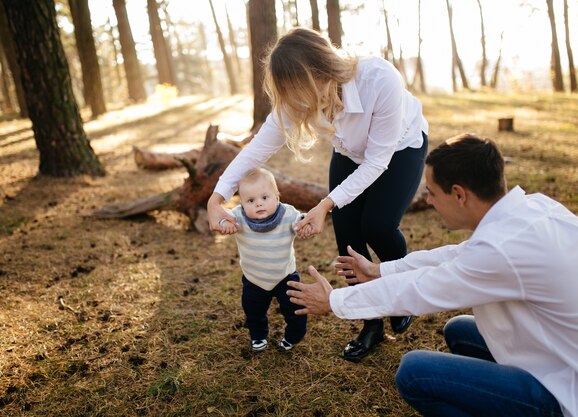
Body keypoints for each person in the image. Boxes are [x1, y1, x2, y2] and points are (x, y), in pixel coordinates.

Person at [286, 134, 578, 417]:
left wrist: (334, 300)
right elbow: (456, 255)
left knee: (414, 373)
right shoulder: (533, 208)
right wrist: (380, 270)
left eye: (432, 192)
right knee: (459, 330)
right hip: (558, 350)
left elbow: (419, 290)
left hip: (564, 391)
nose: (428, 201)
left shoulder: (500, 251)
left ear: (459, 194)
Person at [207, 27, 429, 362]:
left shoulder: (380, 79)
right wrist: (216, 197)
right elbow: (255, 151)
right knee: (349, 237)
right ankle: (370, 324)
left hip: (399, 149)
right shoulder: (296, 99)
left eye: (299, 91)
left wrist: (325, 203)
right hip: (350, 153)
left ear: (321, 74)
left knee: (378, 226)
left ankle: (399, 293)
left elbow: (377, 161)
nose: (296, 103)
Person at [217, 167, 307, 351]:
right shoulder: (238, 217)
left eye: (264, 198)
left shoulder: (287, 214)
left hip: (285, 275)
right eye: (250, 200)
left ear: (277, 197)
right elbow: (222, 218)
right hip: (254, 278)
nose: (258, 204)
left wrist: (305, 223)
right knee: (253, 311)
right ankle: (258, 335)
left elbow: (300, 220)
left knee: (294, 309)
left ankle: (293, 335)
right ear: (241, 203)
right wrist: (224, 223)